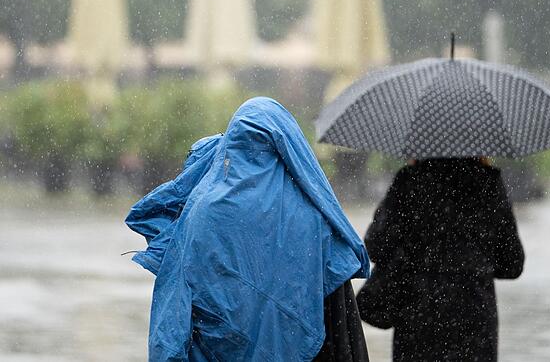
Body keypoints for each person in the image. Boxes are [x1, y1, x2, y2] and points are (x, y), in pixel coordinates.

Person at [125, 97, 371, 361]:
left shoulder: (201, 213)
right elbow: (341, 326)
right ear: (287, 148)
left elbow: (173, 311)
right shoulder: (314, 219)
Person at [360, 157, 525, 361]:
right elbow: (512, 264)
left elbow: (376, 246)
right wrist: (474, 261)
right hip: (474, 319)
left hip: (418, 315)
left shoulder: (410, 180)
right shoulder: (488, 183)